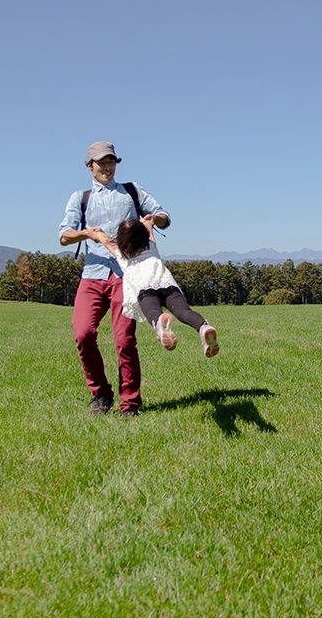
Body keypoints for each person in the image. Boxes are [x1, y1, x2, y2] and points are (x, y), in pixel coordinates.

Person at [59, 141, 170, 417]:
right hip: (93, 275)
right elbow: (64, 236)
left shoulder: (131, 191)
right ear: (90, 166)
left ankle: (130, 403)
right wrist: (89, 234)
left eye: (111, 162)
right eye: (101, 163)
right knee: (83, 334)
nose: (107, 168)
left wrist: (157, 219)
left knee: (124, 340)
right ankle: (100, 394)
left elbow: (164, 216)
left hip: (126, 276)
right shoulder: (80, 198)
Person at [89, 216, 220, 358]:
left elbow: (108, 242)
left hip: (145, 289)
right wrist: (148, 221)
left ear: (121, 239)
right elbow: (148, 227)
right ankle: (203, 326)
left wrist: (97, 233)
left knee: (152, 311)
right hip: (167, 284)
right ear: (144, 236)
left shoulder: (122, 254)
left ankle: (159, 323)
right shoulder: (151, 246)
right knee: (184, 312)